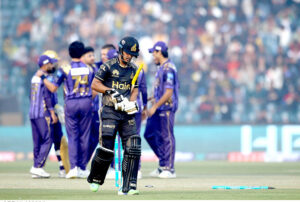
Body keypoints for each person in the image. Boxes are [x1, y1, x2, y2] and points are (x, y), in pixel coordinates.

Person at [87, 36, 141, 195]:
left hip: (126, 114)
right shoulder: (108, 66)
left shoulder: (133, 69)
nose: (129, 56)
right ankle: (96, 178)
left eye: (132, 54)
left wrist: (131, 103)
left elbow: (135, 88)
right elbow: (95, 85)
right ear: (121, 50)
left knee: (133, 146)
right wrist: (111, 92)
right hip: (110, 110)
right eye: (127, 53)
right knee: (106, 147)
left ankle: (129, 185)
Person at [36, 41, 94, 179]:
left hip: (71, 103)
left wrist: (42, 76)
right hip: (86, 101)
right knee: (84, 136)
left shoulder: (65, 69)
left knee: (73, 136)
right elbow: (95, 87)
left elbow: (53, 88)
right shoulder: (89, 69)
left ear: (69, 53)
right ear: (82, 53)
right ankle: (82, 167)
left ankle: (73, 168)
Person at [144, 41, 179, 178]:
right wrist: (152, 98)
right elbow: (162, 90)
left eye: (153, 52)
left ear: (159, 52)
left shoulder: (168, 68)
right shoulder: (162, 68)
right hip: (159, 106)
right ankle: (163, 163)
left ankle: (169, 168)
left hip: (166, 107)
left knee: (167, 136)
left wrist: (155, 106)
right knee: (149, 134)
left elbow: (169, 92)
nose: (152, 56)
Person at [29, 54, 57, 178]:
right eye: (50, 63)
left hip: (32, 113)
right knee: (47, 139)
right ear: (45, 65)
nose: (52, 65)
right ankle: (38, 166)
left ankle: (36, 167)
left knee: (37, 142)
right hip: (42, 113)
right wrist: (52, 112)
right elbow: (47, 96)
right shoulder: (45, 78)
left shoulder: (34, 77)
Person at [43, 50, 68, 178]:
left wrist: (59, 107)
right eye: (53, 62)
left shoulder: (53, 76)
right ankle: (38, 167)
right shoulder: (42, 77)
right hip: (46, 113)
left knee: (58, 139)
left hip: (54, 111)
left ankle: (62, 167)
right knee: (47, 140)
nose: (55, 65)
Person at [80, 46, 99, 164]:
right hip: (86, 109)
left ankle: (83, 163)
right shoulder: (83, 70)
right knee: (84, 137)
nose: (92, 58)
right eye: (89, 56)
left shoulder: (95, 68)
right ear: (82, 57)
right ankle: (79, 164)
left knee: (94, 138)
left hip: (95, 109)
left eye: (93, 55)